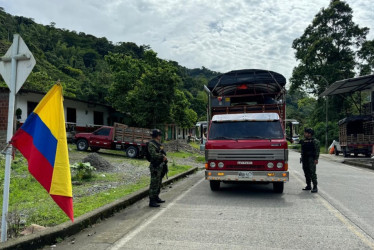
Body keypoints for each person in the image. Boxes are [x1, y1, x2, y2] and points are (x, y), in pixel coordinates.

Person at [148, 129, 168, 207]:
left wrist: (164, 156)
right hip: (155, 166)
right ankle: (152, 200)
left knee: (158, 183)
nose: (160, 136)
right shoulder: (151, 144)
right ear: (157, 136)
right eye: (159, 135)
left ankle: (156, 197)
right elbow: (153, 155)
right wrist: (162, 156)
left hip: (160, 166)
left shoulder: (158, 144)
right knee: (154, 184)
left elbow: (163, 151)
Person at [300, 128, 320, 193]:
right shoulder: (303, 141)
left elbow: (317, 151)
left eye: (305, 133)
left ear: (309, 134)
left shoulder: (315, 141)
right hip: (304, 158)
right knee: (306, 172)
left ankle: (315, 186)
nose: (304, 134)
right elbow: (302, 149)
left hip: (311, 159)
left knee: (312, 172)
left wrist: (316, 159)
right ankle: (308, 185)